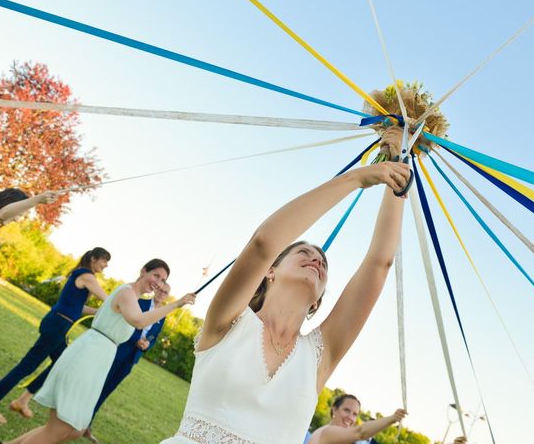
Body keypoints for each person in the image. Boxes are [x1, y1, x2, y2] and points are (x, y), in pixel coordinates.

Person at [161, 128, 411, 444]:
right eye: (303, 252)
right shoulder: (227, 321)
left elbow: (379, 263)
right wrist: (357, 179)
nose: (317, 260)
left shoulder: (321, 355)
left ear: (318, 301)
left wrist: (399, 167)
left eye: (323, 264)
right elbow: (263, 242)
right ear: (270, 272)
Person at [0, 258, 196, 444]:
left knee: (75, 430)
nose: (158, 282)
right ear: (143, 271)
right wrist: (177, 303)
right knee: (58, 428)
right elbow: (138, 321)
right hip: (88, 357)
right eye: (156, 275)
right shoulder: (126, 292)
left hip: (99, 361)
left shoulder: (134, 299)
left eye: (163, 280)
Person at [0, 247, 111, 424]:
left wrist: (98, 312)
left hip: (59, 324)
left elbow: (76, 307)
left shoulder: (82, 275)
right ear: (94, 259)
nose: (106, 265)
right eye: (104, 260)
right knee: (27, 366)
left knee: (62, 362)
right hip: (57, 324)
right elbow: (109, 300)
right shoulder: (87, 276)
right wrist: (122, 306)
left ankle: (22, 400)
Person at [83, 281, 172, 443]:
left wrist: (146, 345)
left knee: (107, 389)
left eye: (165, 292)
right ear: (156, 290)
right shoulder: (141, 302)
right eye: (160, 289)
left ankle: (86, 425)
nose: (161, 293)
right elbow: (126, 322)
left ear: (168, 296)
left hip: (132, 357)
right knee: (98, 384)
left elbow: (154, 337)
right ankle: (77, 419)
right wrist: (137, 339)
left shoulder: (162, 315)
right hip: (120, 349)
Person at [308, 394, 407, 444]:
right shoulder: (327, 432)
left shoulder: (338, 437)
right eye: (346, 410)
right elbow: (360, 432)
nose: (350, 417)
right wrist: (392, 418)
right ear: (334, 409)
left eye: (355, 414)